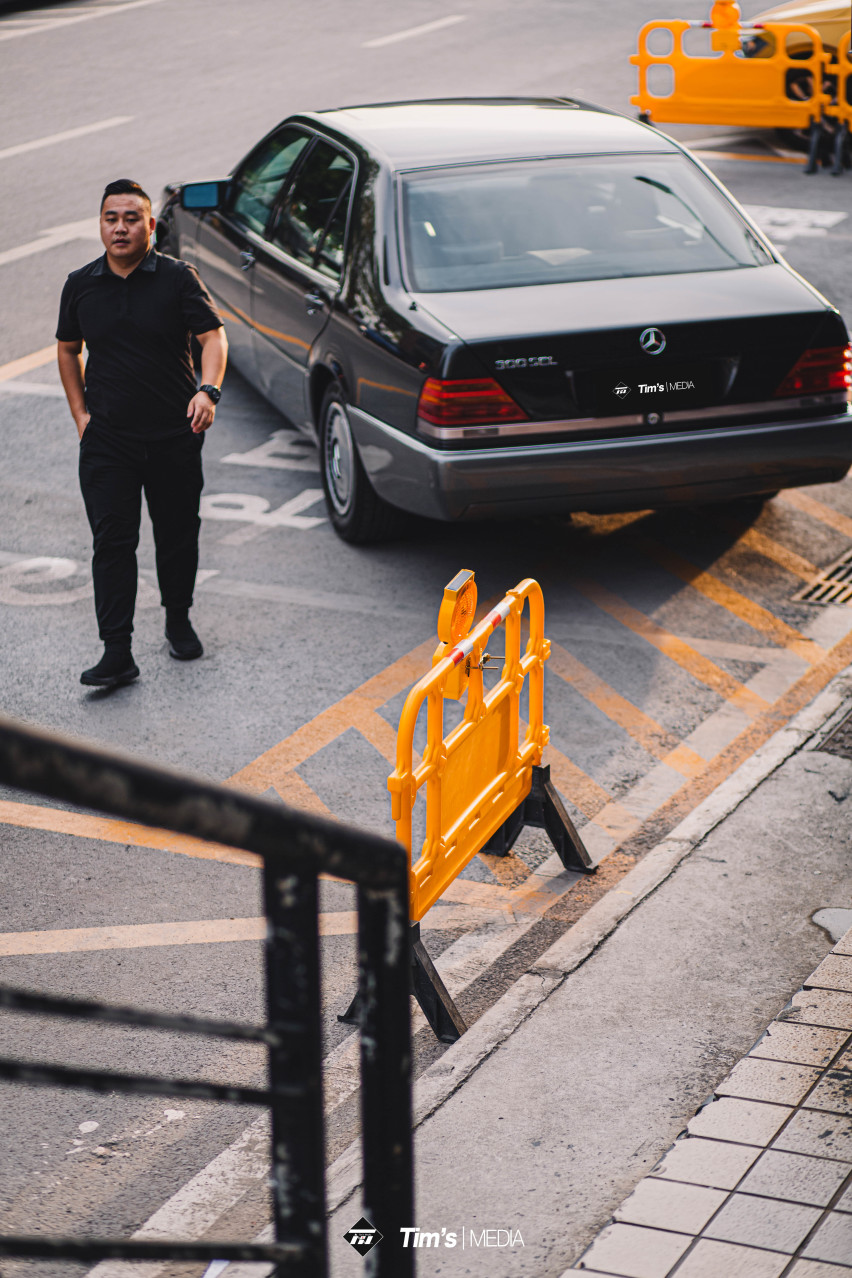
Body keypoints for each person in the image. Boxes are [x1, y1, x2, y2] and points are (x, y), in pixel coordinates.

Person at [57, 178, 228, 688]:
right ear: (101, 225)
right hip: (108, 439)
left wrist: (208, 391)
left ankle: (178, 618)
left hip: (173, 435)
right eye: (112, 218)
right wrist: (81, 417)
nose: (121, 228)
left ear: (151, 225)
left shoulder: (177, 278)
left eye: (132, 218)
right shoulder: (81, 283)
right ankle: (117, 651)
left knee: (177, 534)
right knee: (112, 542)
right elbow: (69, 349)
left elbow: (213, 337)